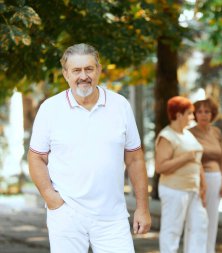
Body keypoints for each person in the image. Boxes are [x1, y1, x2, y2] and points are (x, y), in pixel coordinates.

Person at [28, 43, 151, 253]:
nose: (83, 76)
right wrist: (51, 198)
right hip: (66, 215)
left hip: (112, 216)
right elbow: (36, 157)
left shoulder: (120, 106)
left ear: (99, 70)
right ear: (65, 74)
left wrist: (143, 208)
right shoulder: (50, 109)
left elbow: (135, 159)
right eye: (76, 70)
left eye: (89, 69)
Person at [155, 96, 208, 253]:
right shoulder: (167, 136)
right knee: (172, 230)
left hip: (193, 189)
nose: (193, 117)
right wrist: (185, 157)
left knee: (200, 226)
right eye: (190, 114)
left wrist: (203, 185)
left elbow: (196, 161)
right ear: (178, 115)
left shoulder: (187, 134)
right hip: (174, 190)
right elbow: (160, 166)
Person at [189, 98, 222, 253]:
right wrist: (201, 184)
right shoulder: (190, 133)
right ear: (195, 114)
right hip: (197, 181)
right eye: (200, 112)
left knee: (212, 219)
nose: (204, 115)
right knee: (196, 221)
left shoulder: (216, 132)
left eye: (207, 112)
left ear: (213, 114)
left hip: (216, 178)